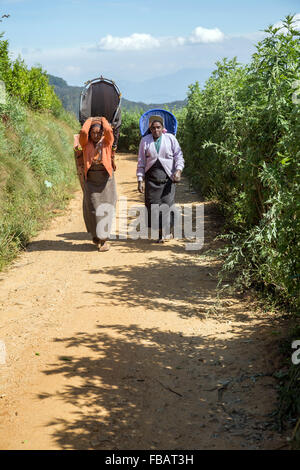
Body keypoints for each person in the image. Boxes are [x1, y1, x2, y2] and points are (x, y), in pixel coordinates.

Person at [137, 115, 184, 242]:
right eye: (153, 128)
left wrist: (178, 171)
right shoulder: (145, 141)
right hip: (151, 180)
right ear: (150, 129)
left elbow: (179, 157)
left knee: (167, 206)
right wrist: (140, 180)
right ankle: (160, 233)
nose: (156, 130)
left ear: (163, 128)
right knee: (153, 207)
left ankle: (166, 232)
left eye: (158, 127)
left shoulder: (170, 139)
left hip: (168, 179)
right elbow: (141, 162)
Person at [76, 116, 117, 252]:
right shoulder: (85, 143)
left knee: (106, 209)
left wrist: (103, 119)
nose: (96, 134)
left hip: (106, 180)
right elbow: (82, 132)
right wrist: (91, 120)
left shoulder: (107, 142)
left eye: (99, 132)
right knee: (93, 209)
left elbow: (109, 131)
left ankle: (104, 239)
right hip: (91, 180)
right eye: (93, 132)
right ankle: (96, 235)